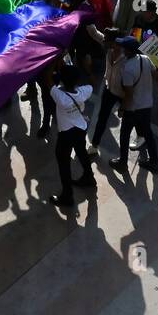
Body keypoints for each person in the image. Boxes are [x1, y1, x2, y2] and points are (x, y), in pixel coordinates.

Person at [48, 62, 97, 208]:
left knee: (64, 163)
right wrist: (88, 72)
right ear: (77, 81)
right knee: (81, 152)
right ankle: (89, 178)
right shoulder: (83, 91)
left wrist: (55, 62)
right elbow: (92, 84)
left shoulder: (60, 96)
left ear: (62, 80)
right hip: (80, 129)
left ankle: (67, 196)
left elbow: (47, 78)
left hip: (66, 134)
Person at [111, 36, 158, 174]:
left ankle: (122, 163)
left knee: (124, 135)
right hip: (147, 105)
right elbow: (156, 75)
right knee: (148, 134)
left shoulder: (128, 69)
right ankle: (154, 161)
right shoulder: (145, 59)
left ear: (127, 51)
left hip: (133, 108)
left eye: (123, 47)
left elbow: (129, 95)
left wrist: (122, 109)